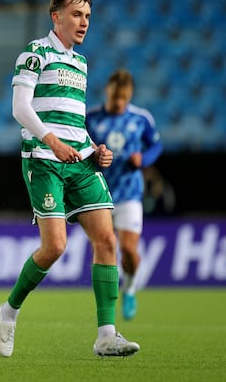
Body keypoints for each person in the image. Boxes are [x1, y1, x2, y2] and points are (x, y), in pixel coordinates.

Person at [0, 0, 140, 358]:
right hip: (44, 159)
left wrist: (96, 149)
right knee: (55, 246)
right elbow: (20, 108)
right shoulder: (34, 53)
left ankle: (106, 335)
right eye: (76, 15)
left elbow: (74, 123)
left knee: (106, 240)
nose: (84, 22)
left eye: (88, 16)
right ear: (55, 16)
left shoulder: (81, 63)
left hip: (78, 162)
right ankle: (9, 310)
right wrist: (53, 141)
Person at [85, 68, 162, 321]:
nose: (119, 103)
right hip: (100, 192)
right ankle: (107, 306)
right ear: (108, 91)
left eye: (124, 99)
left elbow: (156, 145)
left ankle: (129, 290)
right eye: (116, 97)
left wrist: (143, 159)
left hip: (129, 192)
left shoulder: (141, 119)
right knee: (107, 247)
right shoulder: (92, 118)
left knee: (129, 249)